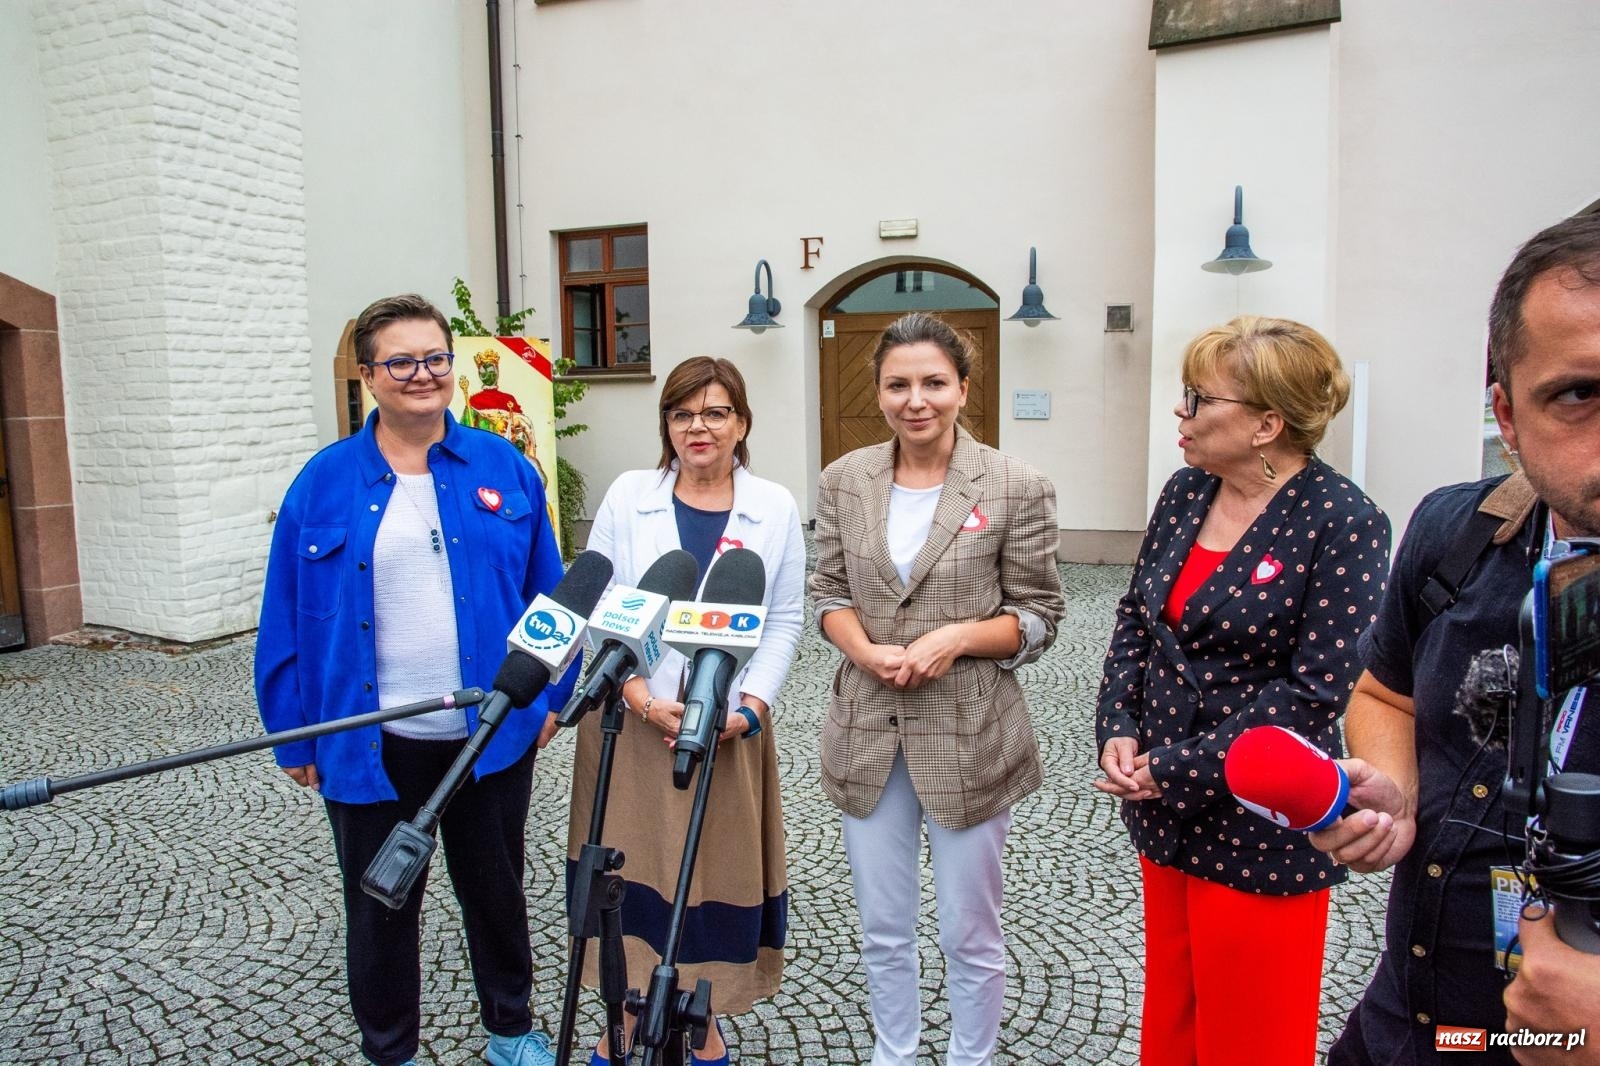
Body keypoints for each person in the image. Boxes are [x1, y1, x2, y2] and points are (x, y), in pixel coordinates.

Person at [1311, 212, 1600, 1064]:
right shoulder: (1455, 533)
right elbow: (1385, 692)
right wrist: (1394, 791)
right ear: (1507, 415)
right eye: (1579, 395)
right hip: (1413, 1024)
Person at [255, 293, 571, 1066]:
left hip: (490, 737)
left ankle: (511, 1031)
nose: (422, 374)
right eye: (401, 362)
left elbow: (553, 597)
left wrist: (552, 696)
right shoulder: (323, 482)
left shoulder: (505, 467)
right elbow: (284, 615)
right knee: (379, 908)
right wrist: (292, 732)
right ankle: (389, 1048)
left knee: (495, 894)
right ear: (368, 375)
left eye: (435, 358)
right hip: (370, 740)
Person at [1093, 315, 1390, 1065]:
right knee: (1173, 1016)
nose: (1180, 410)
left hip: (1260, 816)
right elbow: (1136, 617)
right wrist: (1118, 724)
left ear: (1266, 424)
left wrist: (1174, 767)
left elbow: (1315, 690)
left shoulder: (1344, 521)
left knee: (1251, 1035)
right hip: (1164, 810)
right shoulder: (1186, 491)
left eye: (1198, 398)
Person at [809, 311, 1064, 1066]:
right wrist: (864, 650)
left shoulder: (1017, 485)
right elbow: (826, 589)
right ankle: (895, 1050)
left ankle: (969, 1056)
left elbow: (1040, 615)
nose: (915, 400)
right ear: (878, 391)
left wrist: (956, 638)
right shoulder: (844, 480)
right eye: (898, 385)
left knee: (969, 929)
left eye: (933, 383)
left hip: (970, 732)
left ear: (963, 389)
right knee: (883, 926)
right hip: (869, 729)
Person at [568, 356, 804, 1065]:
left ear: (742, 423)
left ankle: (702, 1014)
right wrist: (640, 698)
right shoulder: (629, 494)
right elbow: (601, 602)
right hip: (631, 719)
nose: (698, 427)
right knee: (627, 871)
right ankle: (625, 1012)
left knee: (712, 871)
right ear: (666, 425)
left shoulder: (774, 507)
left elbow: (784, 619)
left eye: (715, 412)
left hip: (726, 727)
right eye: (682, 414)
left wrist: (750, 708)